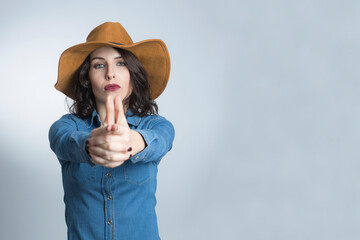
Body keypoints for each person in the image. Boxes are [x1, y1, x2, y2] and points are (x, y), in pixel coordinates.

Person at [49, 22, 175, 240]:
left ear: (133, 76)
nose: (110, 74)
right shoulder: (67, 127)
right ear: (86, 78)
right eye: (99, 65)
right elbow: (64, 141)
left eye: (121, 64)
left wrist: (131, 142)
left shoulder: (157, 126)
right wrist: (92, 144)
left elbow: (160, 140)